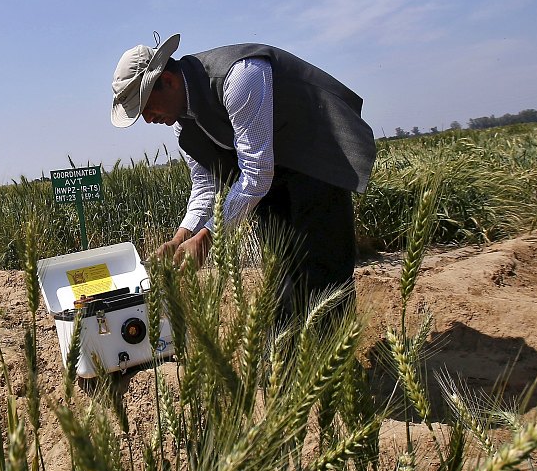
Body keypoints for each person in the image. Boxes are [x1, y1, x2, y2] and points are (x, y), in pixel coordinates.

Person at [110, 33, 376, 318]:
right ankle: (290, 346)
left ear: (168, 81)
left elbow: (257, 172)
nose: (148, 119)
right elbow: (205, 185)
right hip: (274, 182)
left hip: (316, 160)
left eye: (146, 107)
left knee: (324, 274)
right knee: (283, 277)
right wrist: (181, 236)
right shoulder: (182, 126)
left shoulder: (240, 77)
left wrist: (208, 236)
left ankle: (332, 343)